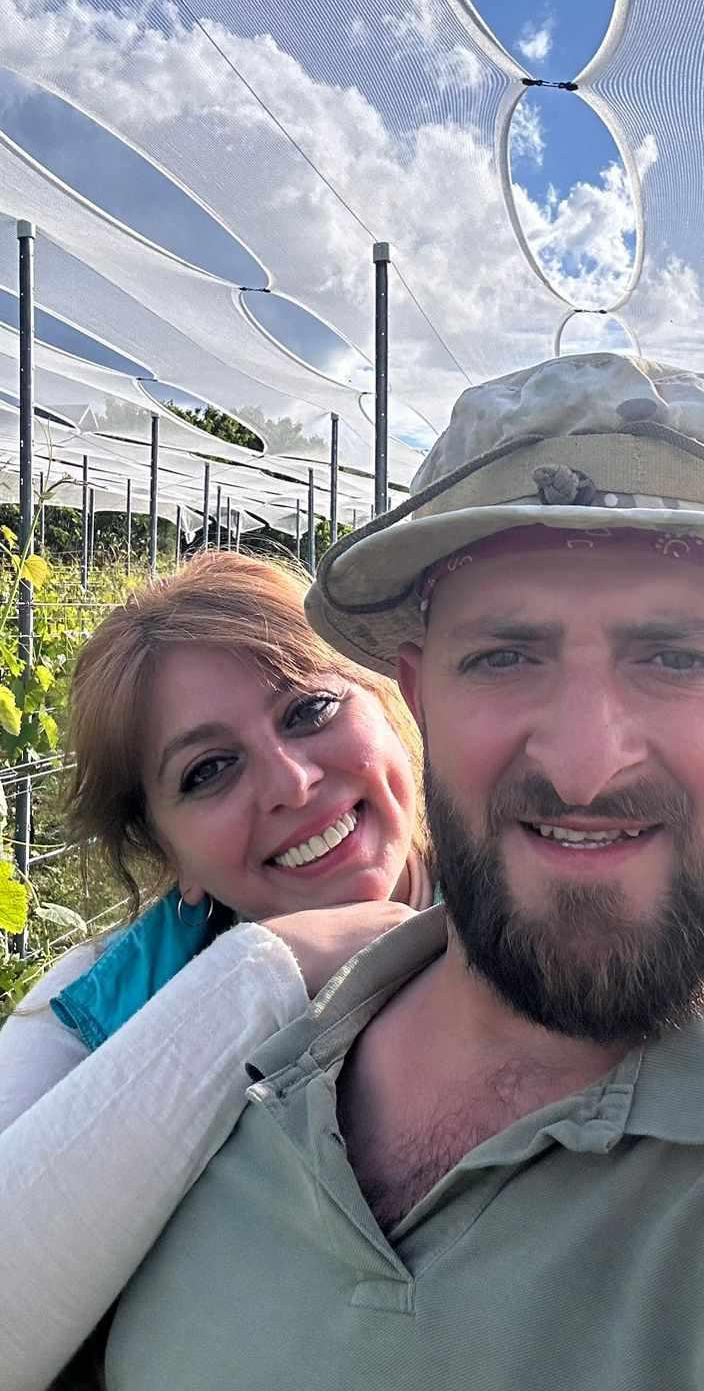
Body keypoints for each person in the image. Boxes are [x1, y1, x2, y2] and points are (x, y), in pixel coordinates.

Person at [104, 354, 704, 1389]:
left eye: (677, 657)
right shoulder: (197, 1082)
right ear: (420, 696)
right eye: (505, 656)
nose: (582, 764)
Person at [0, 553, 431, 1391]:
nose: (292, 783)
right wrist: (260, 974)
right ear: (169, 855)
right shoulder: (101, 1000)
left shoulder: (529, 914)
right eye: (208, 771)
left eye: (310, 709)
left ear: (389, 704)